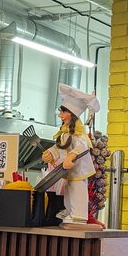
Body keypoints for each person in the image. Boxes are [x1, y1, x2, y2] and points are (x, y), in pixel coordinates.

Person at [41, 84, 101, 224]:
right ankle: (70, 211)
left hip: (79, 171)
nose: (60, 115)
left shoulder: (79, 134)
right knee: (69, 190)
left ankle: (79, 215)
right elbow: (59, 147)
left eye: (63, 112)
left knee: (78, 191)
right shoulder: (66, 133)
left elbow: (82, 147)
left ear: (72, 114)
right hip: (70, 172)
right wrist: (50, 153)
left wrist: (71, 156)